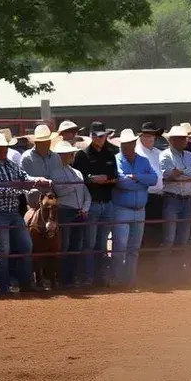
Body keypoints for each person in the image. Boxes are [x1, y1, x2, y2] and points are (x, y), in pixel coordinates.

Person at [0, 131, 51, 293]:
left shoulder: (11, 165)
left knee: (26, 245)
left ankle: (24, 283)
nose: (3, 150)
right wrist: (17, 190)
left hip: (12, 212)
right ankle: (4, 285)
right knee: (4, 248)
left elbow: (24, 177)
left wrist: (37, 180)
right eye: (0, 148)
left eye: (5, 147)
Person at [73, 121, 119, 287]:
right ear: (92, 136)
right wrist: (93, 179)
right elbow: (79, 179)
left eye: (101, 135)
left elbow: (115, 177)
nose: (99, 138)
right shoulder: (82, 155)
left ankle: (99, 277)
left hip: (106, 202)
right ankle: (88, 277)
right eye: (96, 135)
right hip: (91, 203)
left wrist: (104, 180)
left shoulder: (111, 153)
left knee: (100, 243)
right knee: (90, 243)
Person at [112, 129, 159, 289]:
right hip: (123, 208)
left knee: (133, 248)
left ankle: (129, 280)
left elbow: (154, 179)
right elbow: (120, 182)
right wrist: (141, 181)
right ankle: (119, 279)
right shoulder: (116, 160)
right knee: (121, 246)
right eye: (125, 144)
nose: (128, 147)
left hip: (138, 209)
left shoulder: (143, 160)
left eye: (130, 144)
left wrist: (135, 177)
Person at [159, 124, 191, 280]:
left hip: (185, 198)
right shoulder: (165, 155)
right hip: (172, 197)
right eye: (180, 138)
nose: (183, 140)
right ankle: (168, 273)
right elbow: (167, 173)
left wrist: (181, 172)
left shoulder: (190, 156)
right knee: (170, 238)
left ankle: (177, 273)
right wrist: (186, 174)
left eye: (184, 138)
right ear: (172, 140)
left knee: (182, 238)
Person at [50, 140, 91, 288]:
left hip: (78, 211)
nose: (69, 156)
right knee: (65, 245)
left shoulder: (77, 172)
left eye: (69, 154)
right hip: (65, 210)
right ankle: (63, 278)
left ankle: (71, 277)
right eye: (66, 154)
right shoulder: (54, 173)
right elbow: (60, 191)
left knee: (76, 245)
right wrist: (74, 186)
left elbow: (86, 192)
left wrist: (85, 208)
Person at [136, 121, 165, 281]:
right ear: (141, 136)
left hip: (158, 198)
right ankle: (143, 272)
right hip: (144, 197)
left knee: (156, 236)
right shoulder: (137, 153)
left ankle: (151, 272)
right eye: (146, 135)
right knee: (144, 236)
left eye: (152, 136)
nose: (149, 138)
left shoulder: (158, 153)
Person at [20, 124, 65, 208]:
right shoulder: (26, 157)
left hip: (54, 193)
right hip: (35, 196)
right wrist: (37, 180)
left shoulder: (56, 157)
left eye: (48, 141)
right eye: (43, 142)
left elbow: (60, 175)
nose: (47, 143)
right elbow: (23, 178)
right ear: (36, 142)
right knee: (34, 193)